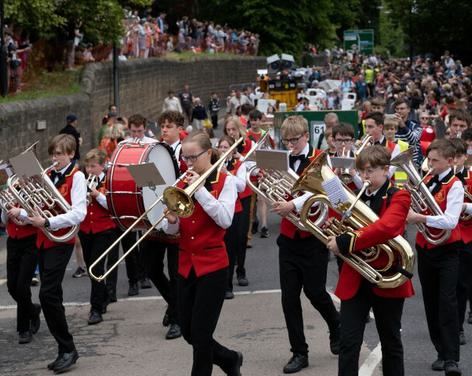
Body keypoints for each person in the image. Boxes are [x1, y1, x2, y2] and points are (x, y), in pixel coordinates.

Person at [326, 145, 414, 376]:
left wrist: (345, 241)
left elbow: (389, 226)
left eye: (370, 171)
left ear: (386, 170)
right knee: (348, 342)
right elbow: (338, 223)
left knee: (391, 342)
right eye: (362, 171)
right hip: (356, 277)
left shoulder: (400, 194)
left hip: (388, 277)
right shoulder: (354, 196)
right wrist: (332, 230)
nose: (364, 176)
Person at [162, 131, 243, 376]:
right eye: (184, 158)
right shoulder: (181, 182)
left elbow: (225, 219)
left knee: (201, 334)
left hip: (213, 265)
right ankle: (229, 359)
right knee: (188, 330)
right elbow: (173, 229)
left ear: (208, 153)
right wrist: (171, 221)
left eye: (192, 157)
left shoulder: (225, 181)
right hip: (186, 264)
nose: (187, 163)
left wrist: (199, 190)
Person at [11, 134, 87, 373]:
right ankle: (64, 349)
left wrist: (48, 221)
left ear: (71, 154)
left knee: (47, 295)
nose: (54, 158)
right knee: (52, 295)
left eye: (60, 154)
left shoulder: (77, 176)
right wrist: (20, 213)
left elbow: (78, 214)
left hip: (61, 240)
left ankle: (68, 348)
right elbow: (37, 211)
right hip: (43, 241)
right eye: (53, 154)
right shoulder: (47, 176)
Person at [271, 115, 340, 374]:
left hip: (313, 236)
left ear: (306, 136)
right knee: (289, 299)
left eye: (295, 140)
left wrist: (293, 204)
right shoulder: (283, 158)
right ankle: (299, 352)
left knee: (315, 292)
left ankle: (336, 324)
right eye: (286, 140)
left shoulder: (322, 157)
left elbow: (328, 192)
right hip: (289, 238)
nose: (290, 145)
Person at [407, 139, 464, 375]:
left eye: (435, 161)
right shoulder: (428, 180)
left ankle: (452, 358)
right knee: (430, 302)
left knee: (447, 303)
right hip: (426, 248)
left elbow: (450, 221)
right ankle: (440, 351)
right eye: (429, 160)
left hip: (448, 250)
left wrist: (420, 219)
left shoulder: (456, 185)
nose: (429, 165)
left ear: (449, 161)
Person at [79, 149, 119, 326]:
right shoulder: (82, 181)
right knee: (90, 268)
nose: (89, 169)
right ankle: (104, 295)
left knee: (96, 268)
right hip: (86, 228)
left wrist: (98, 195)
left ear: (102, 166)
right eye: (87, 166)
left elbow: (113, 205)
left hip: (104, 228)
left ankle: (95, 309)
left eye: (93, 166)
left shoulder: (109, 180)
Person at [3, 208, 41, 344]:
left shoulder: (34, 190)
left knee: (22, 287)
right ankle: (33, 310)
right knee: (12, 287)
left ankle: (24, 329)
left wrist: (21, 212)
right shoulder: (11, 190)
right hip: (13, 241)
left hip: (31, 241)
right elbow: (3, 222)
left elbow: (39, 215)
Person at [218, 135, 247, 299]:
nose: (223, 150)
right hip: (217, 210)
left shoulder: (239, 165)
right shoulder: (212, 165)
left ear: (232, 150)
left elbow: (242, 186)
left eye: (226, 147)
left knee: (230, 249)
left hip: (234, 211)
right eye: (220, 147)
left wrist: (226, 173)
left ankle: (228, 285)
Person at [450, 138, 472, 346]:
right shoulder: (441, 179)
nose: (455, 161)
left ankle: (457, 328)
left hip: (466, 236)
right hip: (445, 237)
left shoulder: (471, 177)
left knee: (461, 285)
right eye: (452, 157)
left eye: (459, 157)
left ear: (465, 157)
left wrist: (463, 206)